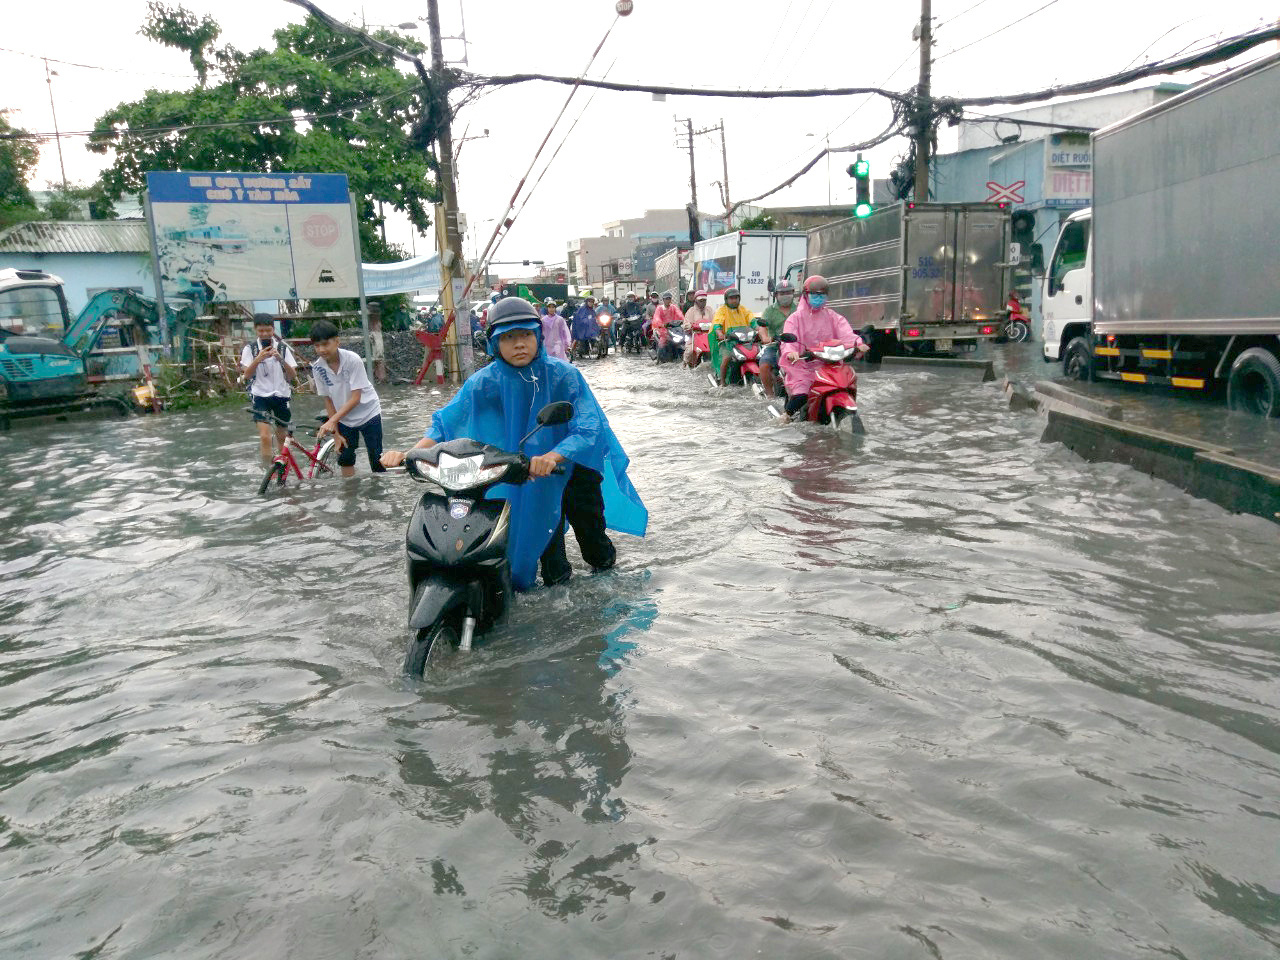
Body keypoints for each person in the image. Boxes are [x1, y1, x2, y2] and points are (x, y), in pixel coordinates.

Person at [381, 298, 647, 590]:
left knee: (592, 542)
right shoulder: (484, 382)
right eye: (508, 338)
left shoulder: (564, 375)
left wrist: (554, 456)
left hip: (571, 468)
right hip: (524, 471)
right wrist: (412, 453)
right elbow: (445, 422)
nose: (518, 344)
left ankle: (606, 599)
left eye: (525, 335)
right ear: (494, 344)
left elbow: (588, 427)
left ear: (538, 336)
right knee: (545, 548)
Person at [779, 275, 868, 419]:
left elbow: (846, 334)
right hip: (803, 365)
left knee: (847, 384)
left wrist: (858, 344)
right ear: (806, 295)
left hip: (829, 363)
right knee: (802, 394)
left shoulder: (832, 316)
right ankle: (786, 417)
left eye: (822, 294)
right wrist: (792, 352)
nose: (818, 297)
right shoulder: (795, 318)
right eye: (814, 294)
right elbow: (789, 341)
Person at [310, 320, 387, 477]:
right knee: (345, 457)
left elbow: (356, 398)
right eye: (317, 346)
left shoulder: (352, 360)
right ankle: (349, 495)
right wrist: (335, 434)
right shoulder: (317, 368)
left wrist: (332, 421)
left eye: (325, 344)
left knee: (376, 458)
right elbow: (328, 400)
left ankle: (379, 493)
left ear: (337, 341)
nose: (322, 349)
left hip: (368, 412)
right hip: (344, 418)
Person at [241, 315, 298, 465]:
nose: (265, 334)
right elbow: (246, 375)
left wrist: (280, 359)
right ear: (255, 330)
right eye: (261, 330)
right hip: (260, 396)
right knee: (265, 436)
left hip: (281, 395)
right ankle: (267, 470)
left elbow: (292, 375)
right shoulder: (250, 349)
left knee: (282, 437)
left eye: (268, 330)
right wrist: (258, 358)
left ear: (273, 329)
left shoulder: (283, 348)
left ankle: (284, 469)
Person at [758, 279, 796, 397]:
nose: (785, 296)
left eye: (788, 293)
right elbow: (762, 327)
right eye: (782, 293)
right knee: (764, 365)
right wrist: (765, 337)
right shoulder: (769, 311)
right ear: (776, 295)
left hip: (796, 345)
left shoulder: (799, 309)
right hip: (775, 345)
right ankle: (770, 395)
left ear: (793, 293)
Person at [712, 287, 755, 385]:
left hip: (744, 342)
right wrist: (720, 333)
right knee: (726, 358)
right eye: (731, 298)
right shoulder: (722, 310)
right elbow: (717, 323)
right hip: (728, 342)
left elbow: (752, 320)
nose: (734, 300)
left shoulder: (743, 309)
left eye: (736, 298)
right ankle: (722, 382)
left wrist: (757, 328)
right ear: (726, 299)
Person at [683, 289, 714, 368]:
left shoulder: (709, 310)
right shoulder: (691, 311)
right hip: (694, 336)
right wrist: (690, 326)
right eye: (701, 300)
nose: (703, 302)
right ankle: (686, 365)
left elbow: (716, 320)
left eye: (704, 300)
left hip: (708, 336)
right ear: (696, 301)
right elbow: (686, 324)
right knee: (690, 351)